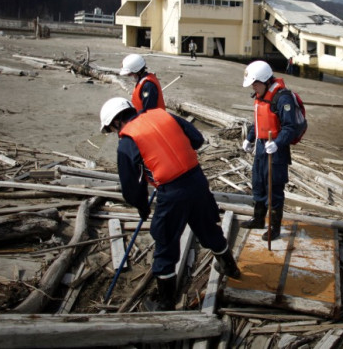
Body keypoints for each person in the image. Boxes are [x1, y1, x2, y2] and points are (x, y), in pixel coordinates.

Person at [99, 97, 241, 311]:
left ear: (116, 121)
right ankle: (231, 269)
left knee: (165, 244)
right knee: (208, 228)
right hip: (197, 181)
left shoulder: (127, 143)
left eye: (110, 128)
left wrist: (142, 207)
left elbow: (130, 186)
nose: (113, 133)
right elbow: (197, 139)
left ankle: (165, 302)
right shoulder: (162, 114)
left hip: (172, 194)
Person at [240, 60, 299, 241]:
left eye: (255, 84)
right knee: (258, 182)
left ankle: (274, 226)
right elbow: (259, 120)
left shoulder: (282, 98)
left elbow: (290, 127)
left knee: (273, 187)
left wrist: (278, 143)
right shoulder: (261, 95)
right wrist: (250, 138)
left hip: (276, 150)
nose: (253, 88)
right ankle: (258, 219)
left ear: (265, 80)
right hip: (260, 145)